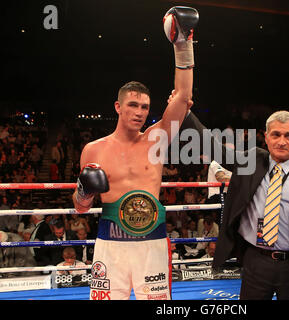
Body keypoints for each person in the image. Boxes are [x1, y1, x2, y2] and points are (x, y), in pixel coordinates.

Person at [72, 6, 198, 300]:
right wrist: (85, 192)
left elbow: (183, 98)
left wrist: (183, 44)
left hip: (151, 243)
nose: (139, 112)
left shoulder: (157, 139)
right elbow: (80, 208)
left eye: (144, 107)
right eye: (132, 105)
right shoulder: (94, 149)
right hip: (109, 243)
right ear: (118, 107)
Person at [180, 109, 289, 300]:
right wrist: (185, 112)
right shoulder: (252, 161)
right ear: (266, 137)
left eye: (288, 135)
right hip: (256, 261)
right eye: (276, 134)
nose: (282, 141)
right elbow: (214, 148)